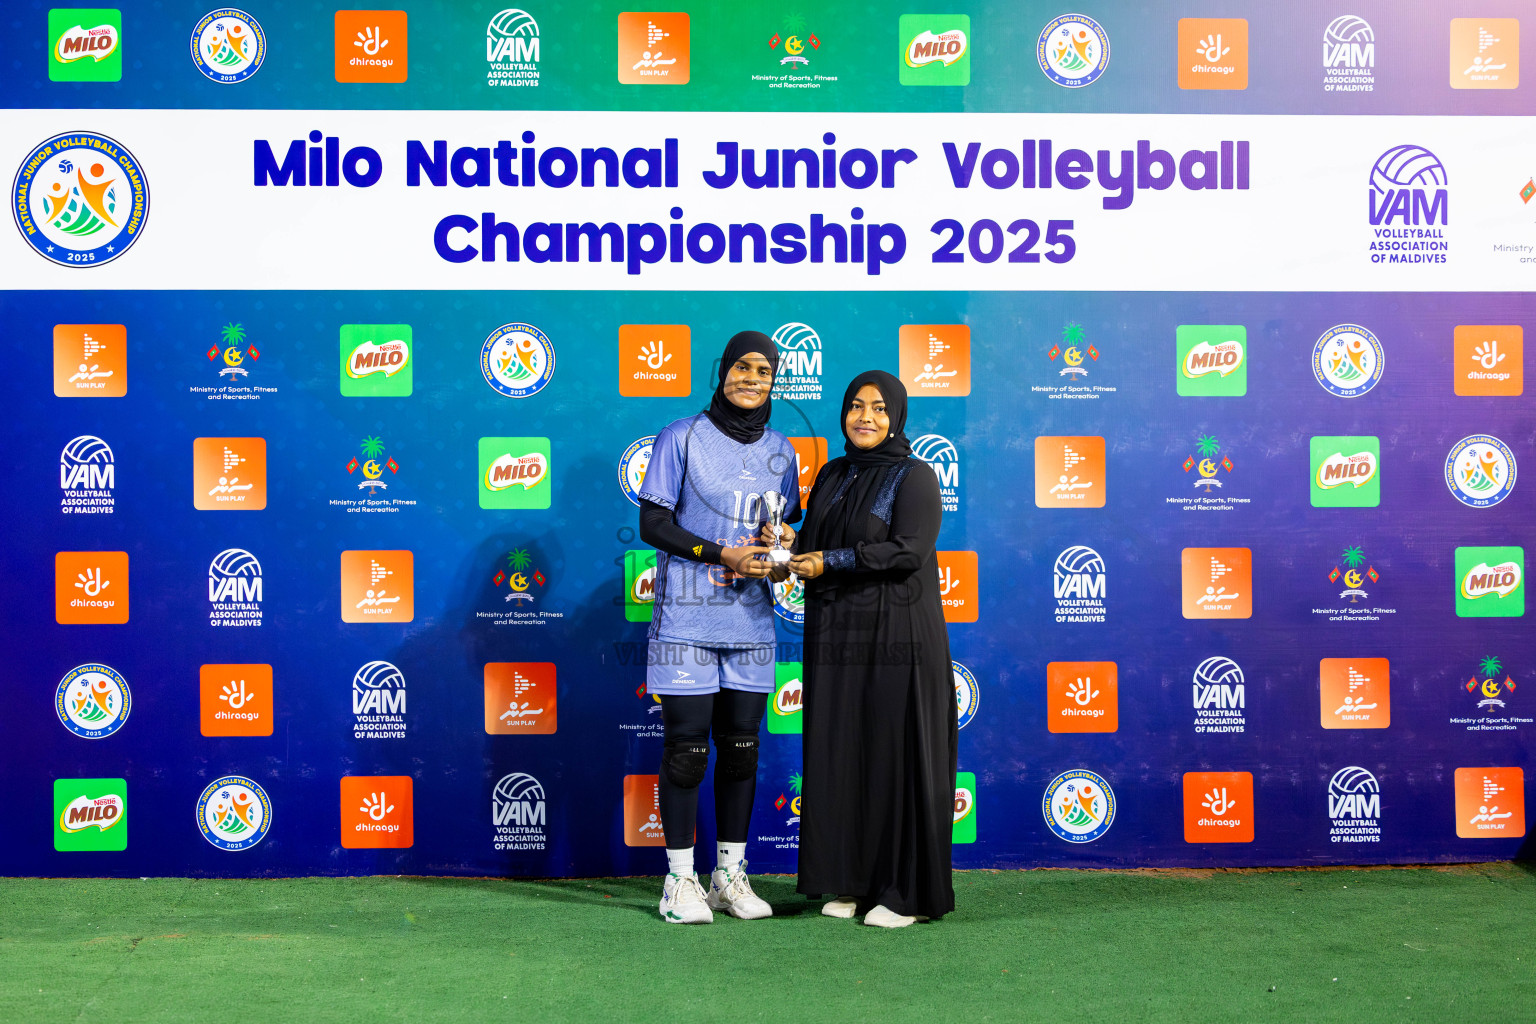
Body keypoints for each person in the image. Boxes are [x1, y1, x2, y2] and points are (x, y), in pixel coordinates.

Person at [778, 370, 956, 928]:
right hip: (835, 631)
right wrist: (789, 544)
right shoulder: (832, 472)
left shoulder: (915, 475)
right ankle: (850, 879)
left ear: (897, 416)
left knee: (892, 751)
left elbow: (907, 550)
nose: (865, 418)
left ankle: (900, 891)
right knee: (844, 747)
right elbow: (818, 542)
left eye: (879, 408)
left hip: (896, 634)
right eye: (856, 406)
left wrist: (828, 562)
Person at [637, 331, 801, 924]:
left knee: (739, 753)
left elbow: (783, 528)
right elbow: (654, 523)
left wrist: (784, 543)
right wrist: (719, 555)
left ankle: (729, 877)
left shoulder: (784, 448)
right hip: (686, 615)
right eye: (742, 367)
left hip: (753, 621)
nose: (752, 378)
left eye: (764, 370)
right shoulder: (681, 437)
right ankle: (680, 881)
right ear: (722, 371)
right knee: (685, 754)